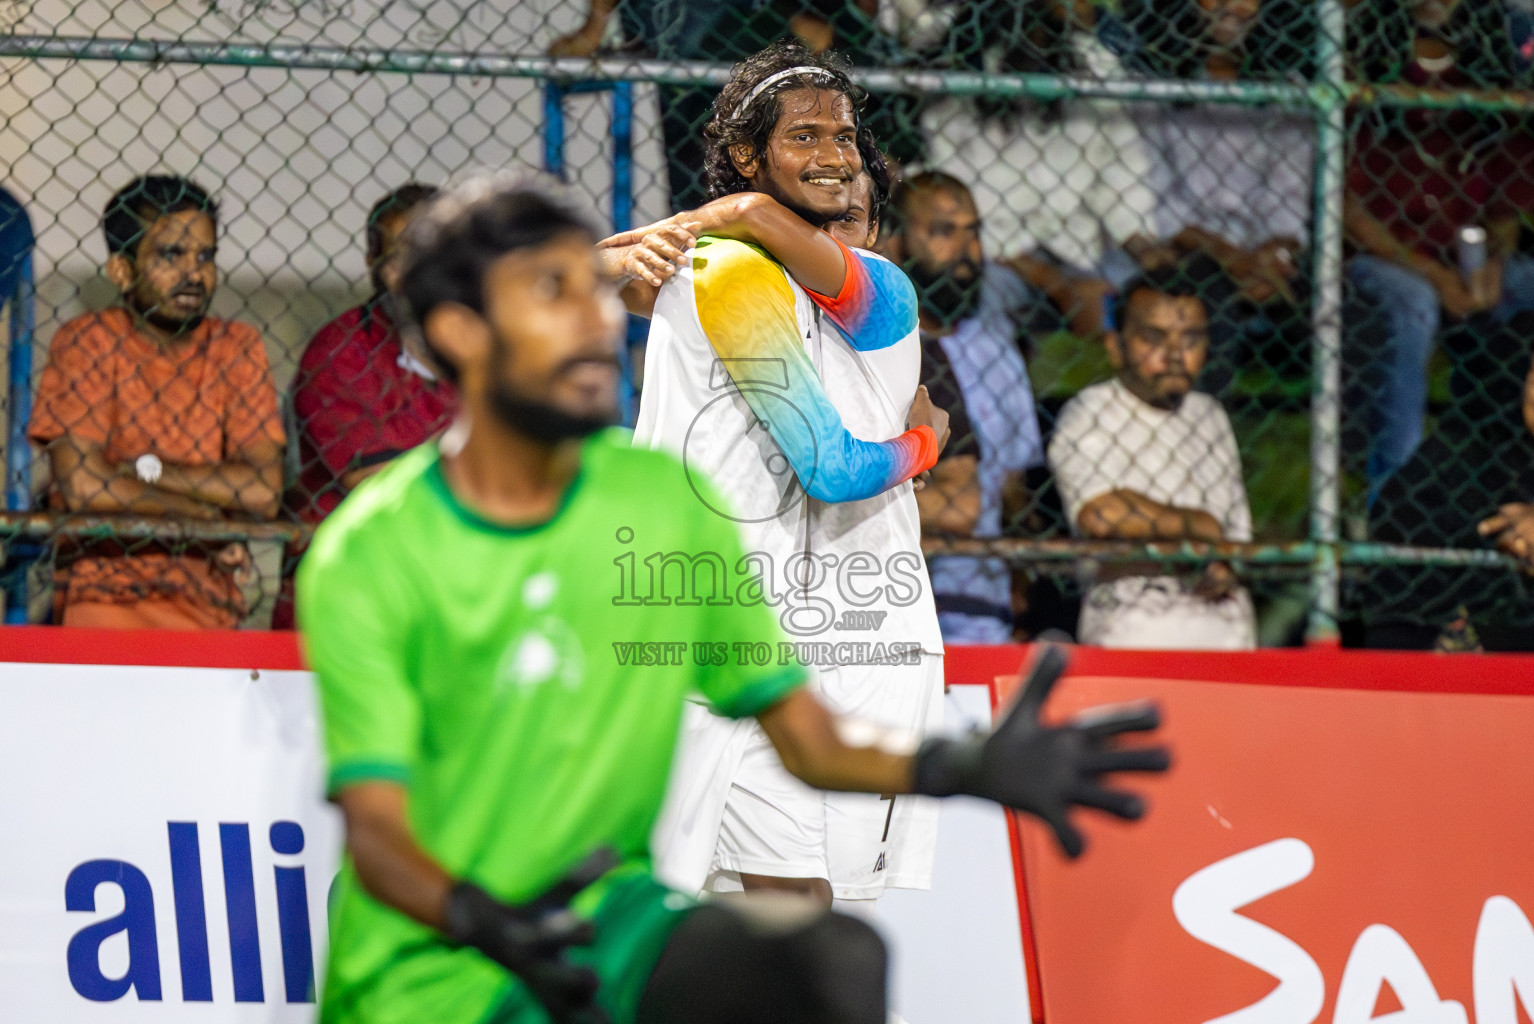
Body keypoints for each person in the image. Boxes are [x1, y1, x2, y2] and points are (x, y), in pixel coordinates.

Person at [297, 173, 1169, 1024]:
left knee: (829, 961)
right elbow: (377, 834)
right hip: (440, 942)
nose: (601, 322)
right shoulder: (373, 551)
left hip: (607, 922)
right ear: (462, 331)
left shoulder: (658, 499)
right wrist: (484, 922)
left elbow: (805, 736)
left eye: (601, 295)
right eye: (554, 295)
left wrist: (961, 768)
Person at [628, 42, 955, 916]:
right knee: (676, 922)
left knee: (784, 912)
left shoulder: (875, 292)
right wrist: (925, 446)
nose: (838, 166)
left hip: (805, 641)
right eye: (806, 138)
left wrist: (728, 212)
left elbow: (829, 466)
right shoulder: (729, 271)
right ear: (748, 154)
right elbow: (829, 465)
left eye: (847, 143)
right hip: (698, 634)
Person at [27, 174, 284, 629]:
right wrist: (202, 517)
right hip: (104, 594)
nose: (193, 273)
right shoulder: (89, 341)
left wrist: (142, 470)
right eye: (170, 255)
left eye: (205, 256)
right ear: (122, 271)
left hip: (207, 601)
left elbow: (263, 490)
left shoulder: (236, 347)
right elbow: (84, 486)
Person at [1343, 0, 1534, 492]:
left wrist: (1495, 260)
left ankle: (1514, 485)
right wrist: (1435, 274)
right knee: (1415, 305)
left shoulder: (1488, 70)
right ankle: (1391, 495)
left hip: (1467, 256)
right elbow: (1349, 208)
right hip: (1386, 257)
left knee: (1526, 283)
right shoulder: (1370, 64)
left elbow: (1504, 199)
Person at [879, 171, 1051, 645]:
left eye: (973, 231)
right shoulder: (883, 349)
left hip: (980, 598)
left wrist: (1019, 579)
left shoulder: (997, 346)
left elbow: (1013, 487)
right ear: (896, 242)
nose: (966, 250)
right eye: (942, 231)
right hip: (888, 588)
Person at [1047, 264, 1257, 649]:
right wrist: (1198, 527)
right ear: (1115, 346)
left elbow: (1236, 540)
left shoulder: (1210, 414)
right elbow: (1101, 514)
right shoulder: (1092, 410)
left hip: (1228, 641)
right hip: (1133, 639)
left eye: (1191, 338)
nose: (1175, 354)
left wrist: (1222, 558)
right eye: (1154, 338)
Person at [289, 182, 453, 524]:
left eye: (433, 258)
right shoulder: (340, 351)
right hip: (352, 559)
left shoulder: (479, 345)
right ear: (372, 264)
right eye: (400, 260)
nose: (417, 277)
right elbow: (372, 481)